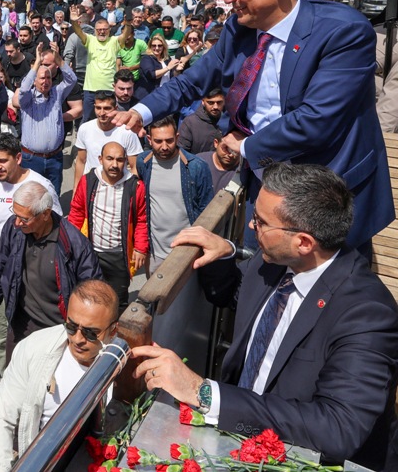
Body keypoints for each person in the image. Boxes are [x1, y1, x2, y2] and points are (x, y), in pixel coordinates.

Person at [117, 0, 392, 254]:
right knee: (257, 284)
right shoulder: (238, 30)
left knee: (329, 296)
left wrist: (244, 145)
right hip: (264, 187)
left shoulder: (344, 31)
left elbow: (317, 121)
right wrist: (141, 112)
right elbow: (191, 82)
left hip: (330, 198)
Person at [132, 163, 398, 471]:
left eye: (260, 221)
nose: (250, 227)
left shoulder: (368, 315)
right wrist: (222, 255)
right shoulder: (280, 259)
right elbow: (238, 295)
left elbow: (337, 429)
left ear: (303, 242)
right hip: (245, 439)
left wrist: (201, 392)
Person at [0, 280, 120, 472]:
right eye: (71, 326)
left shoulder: (125, 362)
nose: (78, 339)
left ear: (113, 330)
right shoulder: (33, 348)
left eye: (90, 333)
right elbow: (1, 414)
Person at [0, 182, 102, 359]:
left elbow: (93, 294)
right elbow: (0, 269)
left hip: (57, 332)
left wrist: (80, 335)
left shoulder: (74, 244)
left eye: (24, 218)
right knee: (15, 380)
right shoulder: (14, 228)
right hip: (21, 325)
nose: (17, 222)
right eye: (15, 215)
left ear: (45, 214)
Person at [0, 133, 58, 375]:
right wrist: (2, 256)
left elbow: (55, 229)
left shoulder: (41, 186)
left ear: (18, 158)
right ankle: (9, 383)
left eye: (2, 161)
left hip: (30, 274)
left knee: (30, 331)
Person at [138, 115, 213, 358]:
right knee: (156, 309)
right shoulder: (144, 163)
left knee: (180, 314)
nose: (164, 146)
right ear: (149, 139)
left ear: (178, 138)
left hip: (184, 256)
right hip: (155, 253)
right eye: (158, 141)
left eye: (169, 140)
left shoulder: (196, 168)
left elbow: (205, 214)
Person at [68, 142, 149, 311]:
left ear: (126, 161)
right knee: (89, 296)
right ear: (100, 159)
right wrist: (70, 244)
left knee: (117, 301)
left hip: (119, 255)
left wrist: (141, 248)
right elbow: (76, 213)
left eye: (120, 160)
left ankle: (114, 335)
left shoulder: (136, 186)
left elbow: (142, 220)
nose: (114, 164)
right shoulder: (88, 181)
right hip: (91, 252)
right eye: (109, 159)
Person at [18, 42, 77, 194]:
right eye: (41, 78)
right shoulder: (27, 98)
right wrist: (37, 63)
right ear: (34, 80)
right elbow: (23, 88)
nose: (45, 81)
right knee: (31, 197)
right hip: (31, 159)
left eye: (48, 78)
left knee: (53, 196)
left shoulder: (57, 93)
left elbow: (72, 79)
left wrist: (59, 60)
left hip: (55, 158)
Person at [69, 6, 130, 122]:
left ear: (109, 30)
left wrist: (127, 22)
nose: (102, 31)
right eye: (99, 29)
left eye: (105, 29)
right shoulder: (90, 40)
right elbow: (78, 31)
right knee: (86, 119)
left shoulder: (114, 41)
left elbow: (126, 34)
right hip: (90, 89)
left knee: (109, 119)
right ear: (95, 30)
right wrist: (73, 21)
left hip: (109, 89)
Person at [72, 91, 143, 188]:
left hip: (118, 187)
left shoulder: (127, 132)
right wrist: (76, 188)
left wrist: (132, 191)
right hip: (90, 186)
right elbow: (81, 161)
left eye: (107, 108)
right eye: (98, 108)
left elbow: (134, 166)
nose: (102, 113)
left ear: (115, 109)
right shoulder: (85, 129)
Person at [178, 87, 226, 154]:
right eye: (211, 103)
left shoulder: (229, 122)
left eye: (219, 102)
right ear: (203, 101)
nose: (215, 107)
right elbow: (182, 153)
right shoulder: (190, 122)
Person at [197, 128, 241, 194]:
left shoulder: (244, 171)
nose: (231, 154)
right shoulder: (198, 163)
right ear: (216, 143)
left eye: (234, 150)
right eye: (226, 148)